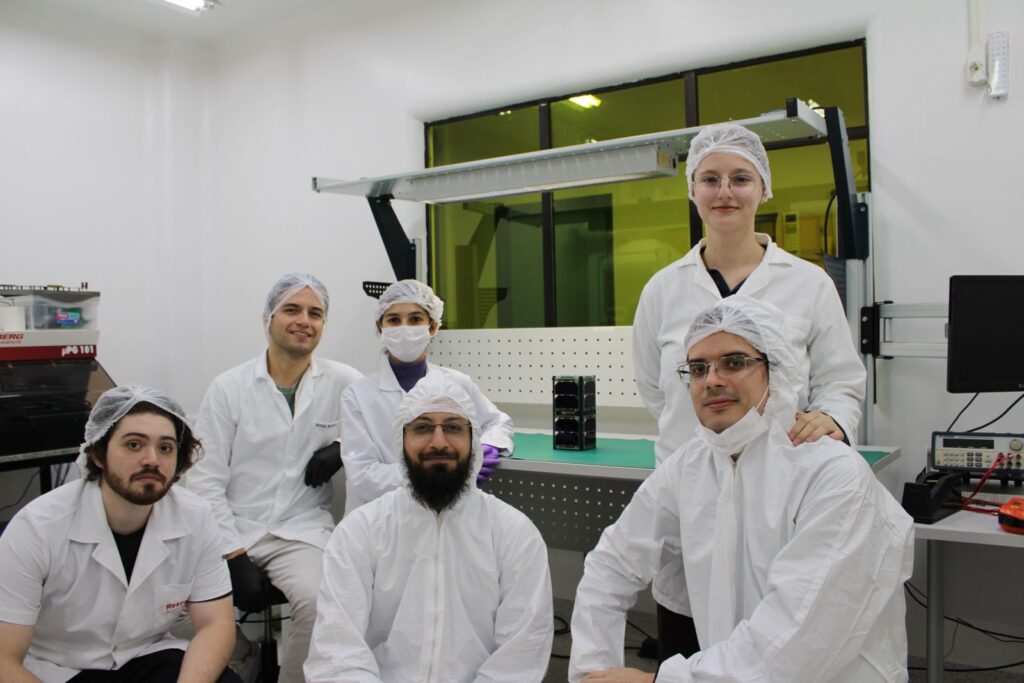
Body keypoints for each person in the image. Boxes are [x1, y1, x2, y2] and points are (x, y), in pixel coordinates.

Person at [569, 297, 914, 683]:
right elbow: (612, 564)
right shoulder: (692, 465)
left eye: (734, 363)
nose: (712, 380)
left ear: (775, 370)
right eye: (698, 368)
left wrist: (658, 681)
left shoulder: (831, 475)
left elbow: (796, 641)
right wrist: (593, 669)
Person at [631, 122, 868, 659]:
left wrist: (832, 417)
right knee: (687, 643)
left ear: (763, 189)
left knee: (777, 641)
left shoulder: (808, 283)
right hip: (690, 500)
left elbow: (841, 379)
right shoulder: (663, 289)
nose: (725, 191)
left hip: (778, 498)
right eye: (710, 179)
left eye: (740, 178)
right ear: (692, 191)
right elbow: (656, 388)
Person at [305, 373, 553, 682]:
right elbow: (338, 650)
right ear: (401, 441)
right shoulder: (359, 532)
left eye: (453, 427)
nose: (438, 442)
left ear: (474, 440)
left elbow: (520, 655)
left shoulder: (514, 533)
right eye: (422, 428)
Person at [185, 273, 362, 683]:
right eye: (292, 310)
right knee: (170, 605)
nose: (304, 321)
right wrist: (233, 555)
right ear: (268, 318)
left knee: (321, 602)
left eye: (315, 313)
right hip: (234, 524)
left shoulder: (344, 382)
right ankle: (240, 654)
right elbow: (205, 480)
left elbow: (384, 431)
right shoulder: (229, 387)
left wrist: (341, 446)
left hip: (300, 531)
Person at [0, 385, 240, 683]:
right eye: (134, 445)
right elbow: (4, 660)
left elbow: (216, 624)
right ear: (98, 455)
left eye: (165, 448)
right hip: (62, 668)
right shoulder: (37, 528)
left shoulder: (197, 517)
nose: (152, 459)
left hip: (144, 655)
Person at [339, 279, 514, 515]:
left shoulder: (456, 383)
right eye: (394, 320)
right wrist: (444, 470)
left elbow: (498, 421)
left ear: (432, 327)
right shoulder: (357, 395)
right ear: (380, 328)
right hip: (378, 518)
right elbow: (363, 476)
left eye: (415, 319)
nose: (404, 328)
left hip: (443, 512)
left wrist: (489, 445)